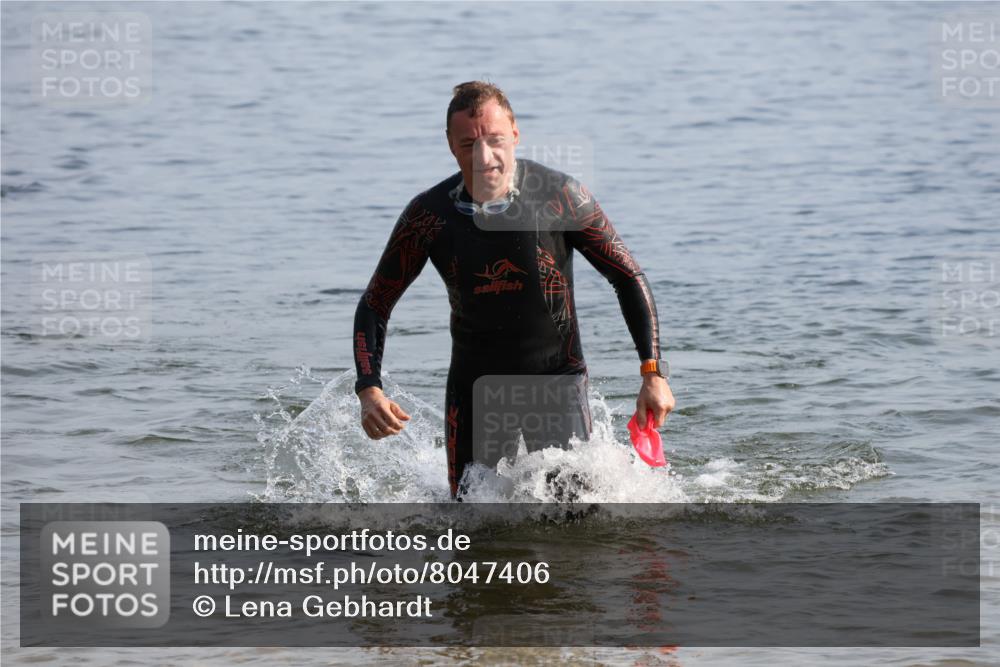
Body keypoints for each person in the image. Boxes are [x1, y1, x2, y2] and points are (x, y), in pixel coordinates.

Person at [353, 81, 674, 498]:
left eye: (495, 140)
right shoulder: (429, 216)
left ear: (516, 134)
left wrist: (653, 373)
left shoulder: (560, 197)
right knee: (472, 523)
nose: (485, 157)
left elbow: (627, 276)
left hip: (556, 382)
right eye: (469, 144)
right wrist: (369, 388)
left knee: (575, 522)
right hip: (475, 389)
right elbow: (376, 303)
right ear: (450, 144)